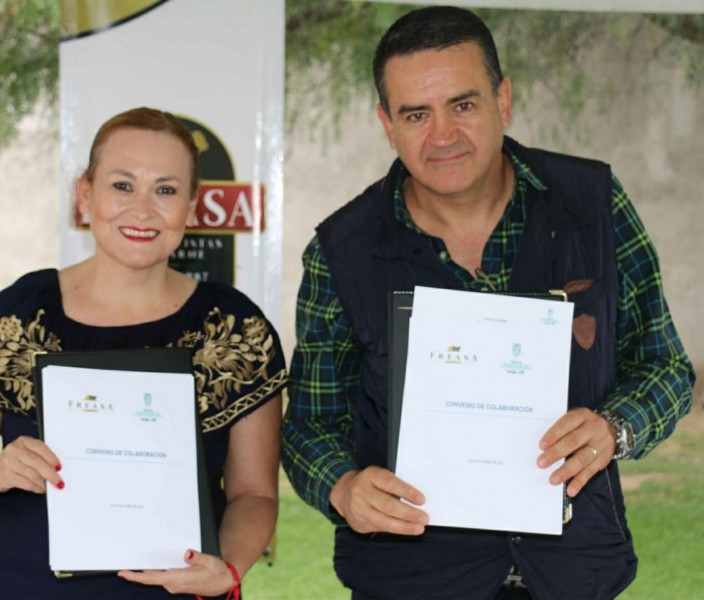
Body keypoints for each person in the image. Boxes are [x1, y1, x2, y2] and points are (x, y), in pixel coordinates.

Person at [281, 6, 695, 600]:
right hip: (410, 581)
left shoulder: (593, 204)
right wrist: (342, 486)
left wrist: (616, 427)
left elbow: (666, 367)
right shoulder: (341, 250)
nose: (443, 135)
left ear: (503, 100)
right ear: (387, 125)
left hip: (573, 575)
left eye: (463, 105)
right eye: (416, 114)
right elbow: (309, 424)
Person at [0, 107, 287, 599]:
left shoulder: (236, 329)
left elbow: (254, 494)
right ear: (85, 194)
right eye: (122, 185)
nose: (143, 210)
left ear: (192, 207)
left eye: (166, 190)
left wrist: (228, 569)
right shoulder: (19, 316)